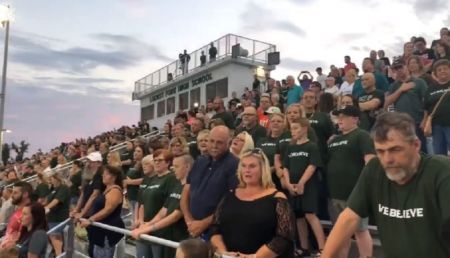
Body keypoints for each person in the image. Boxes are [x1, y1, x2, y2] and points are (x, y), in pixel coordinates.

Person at [322, 112, 450, 258]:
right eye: (380, 151)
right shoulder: (374, 169)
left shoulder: (442, 171)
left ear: (416, 145)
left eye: (395, 149)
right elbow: (348, 219)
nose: (387, 159)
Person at [211, 149, 295, 257]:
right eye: (244, 166)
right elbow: (215, 228)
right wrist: (223, 253)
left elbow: (284, 236)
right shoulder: (229, 196)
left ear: (263, 169)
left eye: (252, 166)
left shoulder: (277, 198)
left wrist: (255, 257)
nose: (247, 170)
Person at [326, 105, 375, 258]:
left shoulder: (362, 135)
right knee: (341, 231)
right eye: (338, 117)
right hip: (335, 193)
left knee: (360, 230)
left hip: (355, 193)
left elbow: (370, 161)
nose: (339, 120)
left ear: (355, 119)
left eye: (343, 117)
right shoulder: (334, 139)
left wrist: (365, 189)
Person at [181, 126, 239, 239]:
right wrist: (189, 221)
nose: (214, 146)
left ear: (229, 143)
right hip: (192, 228)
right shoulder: (199, 161)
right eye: (211, 141)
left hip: (217, 232)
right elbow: (186, 192)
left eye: (219, 142)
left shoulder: (235, 165)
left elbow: (232, 203)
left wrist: (204, 223)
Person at [132, 154, 193, 258]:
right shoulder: (177, 185)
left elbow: (175, 215)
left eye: (177, 167)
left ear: (187, 167)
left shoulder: (190, 187)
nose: (174, 170)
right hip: (169, 236)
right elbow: (164, 209)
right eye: (173, 167)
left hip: (182, 237)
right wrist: (147, 225)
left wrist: (148, 228)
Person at [282, 118, 326, 256]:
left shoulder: (311, 146)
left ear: (305, 129)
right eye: (291, 129)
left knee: (310, 215)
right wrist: (288, 184)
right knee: (299, 216)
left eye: (295, 128)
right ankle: (304, 247)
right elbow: (285, 168)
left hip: (308, 186)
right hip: (292, 186)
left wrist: (301, 183)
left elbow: (312, 166)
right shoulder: (291, 147)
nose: (292, 131)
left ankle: (323, 248)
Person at [135, 149, 177, 258]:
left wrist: (149, 225)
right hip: (145, 228)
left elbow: (166, 207)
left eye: (160, 160)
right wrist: (140, 221)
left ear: (168, 162)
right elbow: (142, 204)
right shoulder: (152, 179)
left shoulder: (171, 178)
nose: (157, 163)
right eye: (155, 160)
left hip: (160, 231)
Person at [79, 165, 125, 258]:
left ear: (114, 176)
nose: (103, 176)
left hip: (108, 233)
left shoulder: (115, 190)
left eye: (106, 174)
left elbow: (108, 210)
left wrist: (90, 219)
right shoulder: (106, 190)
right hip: (99, 233)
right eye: (103, 174)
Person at [385, 58, 428, 153]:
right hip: (401, 124)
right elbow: (387, 102)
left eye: (400, 67)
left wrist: (425, 120)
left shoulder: (419, 82)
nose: (398, 70)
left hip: (417, 122)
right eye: (396, 68)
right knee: (406, 151)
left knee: (422, 151)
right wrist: (400, 90)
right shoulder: (394, 86)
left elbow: (427, 102)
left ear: (406, 67)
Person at [71, 151, 105, 257]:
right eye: (88, 161)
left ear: (99, 163)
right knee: (91, 244)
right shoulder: (90, 177)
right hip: (89, 214)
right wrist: (76, 209)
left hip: (96, 214)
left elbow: (94, 195)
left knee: (96, 245)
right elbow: (83, 195)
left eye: (92, 162)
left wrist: (82, 213)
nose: (88, 164)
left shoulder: (100, 176)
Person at [424, 59, 450, 155]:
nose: (442, 71)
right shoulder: (431, 88)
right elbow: (426, 107)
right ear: (435, 74)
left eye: (445, 69)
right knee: (438, 152)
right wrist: (424, 121)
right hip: (436, 125)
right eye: (439, 70)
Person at [256, 112, 286, 191]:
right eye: (273, 121)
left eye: (279, 121)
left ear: (284, 124)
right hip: (262, 177)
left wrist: (273, 169)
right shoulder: (261, 141)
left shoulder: (287, 141)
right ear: (269, 124)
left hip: (280, 178)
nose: (275, 123)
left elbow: (287, 159)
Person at [0, 181, 32, 250]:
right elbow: (9, 232)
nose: (12, 196)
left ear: (25, 194)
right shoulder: (17, 211)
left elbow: (23, 239)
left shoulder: (29, 214)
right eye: (12, 192)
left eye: (15, 193)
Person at [45, 173, 70, 256]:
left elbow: (57, 200)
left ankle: (59, 255)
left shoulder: (63, 188)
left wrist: (46, 208)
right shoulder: (53, 189)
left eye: (52, 178)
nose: (50, 180)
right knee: (53, 240)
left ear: (57, 179)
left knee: (56, 241)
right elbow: (47, 201)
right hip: (51, 218)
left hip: (58, 218)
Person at [124, 144, 147, 225]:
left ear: (143, 153)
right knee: (133, 217)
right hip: (131, 195)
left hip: (138, 196)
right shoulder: (134, 164)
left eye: (138, 151)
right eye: (135, 151)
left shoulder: (144, 164)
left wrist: (130, 182)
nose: (135, 153)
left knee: (138, 219)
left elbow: (145, 179)